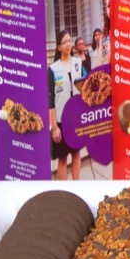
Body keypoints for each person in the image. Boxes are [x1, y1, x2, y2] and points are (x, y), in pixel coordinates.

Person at [48, 30, 83, 180]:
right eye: (64, 42)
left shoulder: (78, 63)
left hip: (75, 118)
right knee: (62, 159)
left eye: (69, 41)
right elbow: (50, 100)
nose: (68, 44)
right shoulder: (52, 69)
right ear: (58, 47)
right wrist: (54, 127)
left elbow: (82, 89)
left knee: (76, 154)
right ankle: (63, 192)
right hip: (61, 121)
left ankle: (77, 188)